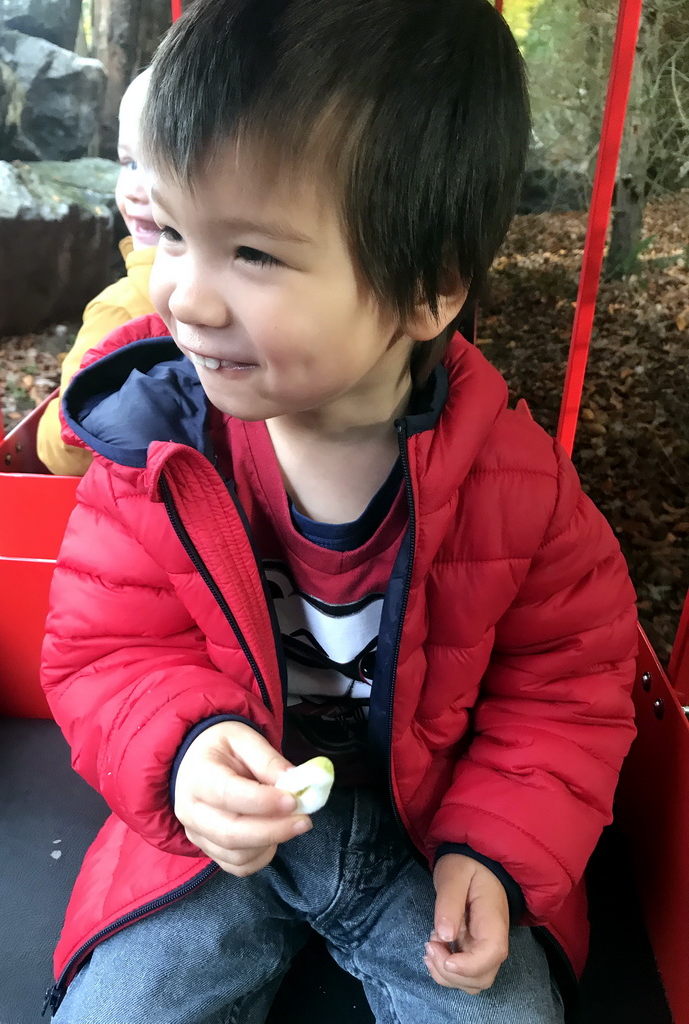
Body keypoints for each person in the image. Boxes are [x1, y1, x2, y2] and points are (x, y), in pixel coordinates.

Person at [40, 0, 638, 1021]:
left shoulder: (517, 484)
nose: (185, 294)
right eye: (175, 232)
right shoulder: (156, 447)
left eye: (255, 255)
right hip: (216, 849)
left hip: (427, 841)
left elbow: (569, 685)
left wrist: (496, 848)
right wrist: (183, 755)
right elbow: (103, 650)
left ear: (427, 290)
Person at [36, 69, 158, 476]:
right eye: (130, 162)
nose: (135, 189)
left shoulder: (122, 310)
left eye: (161, 165)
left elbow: (64, 449)